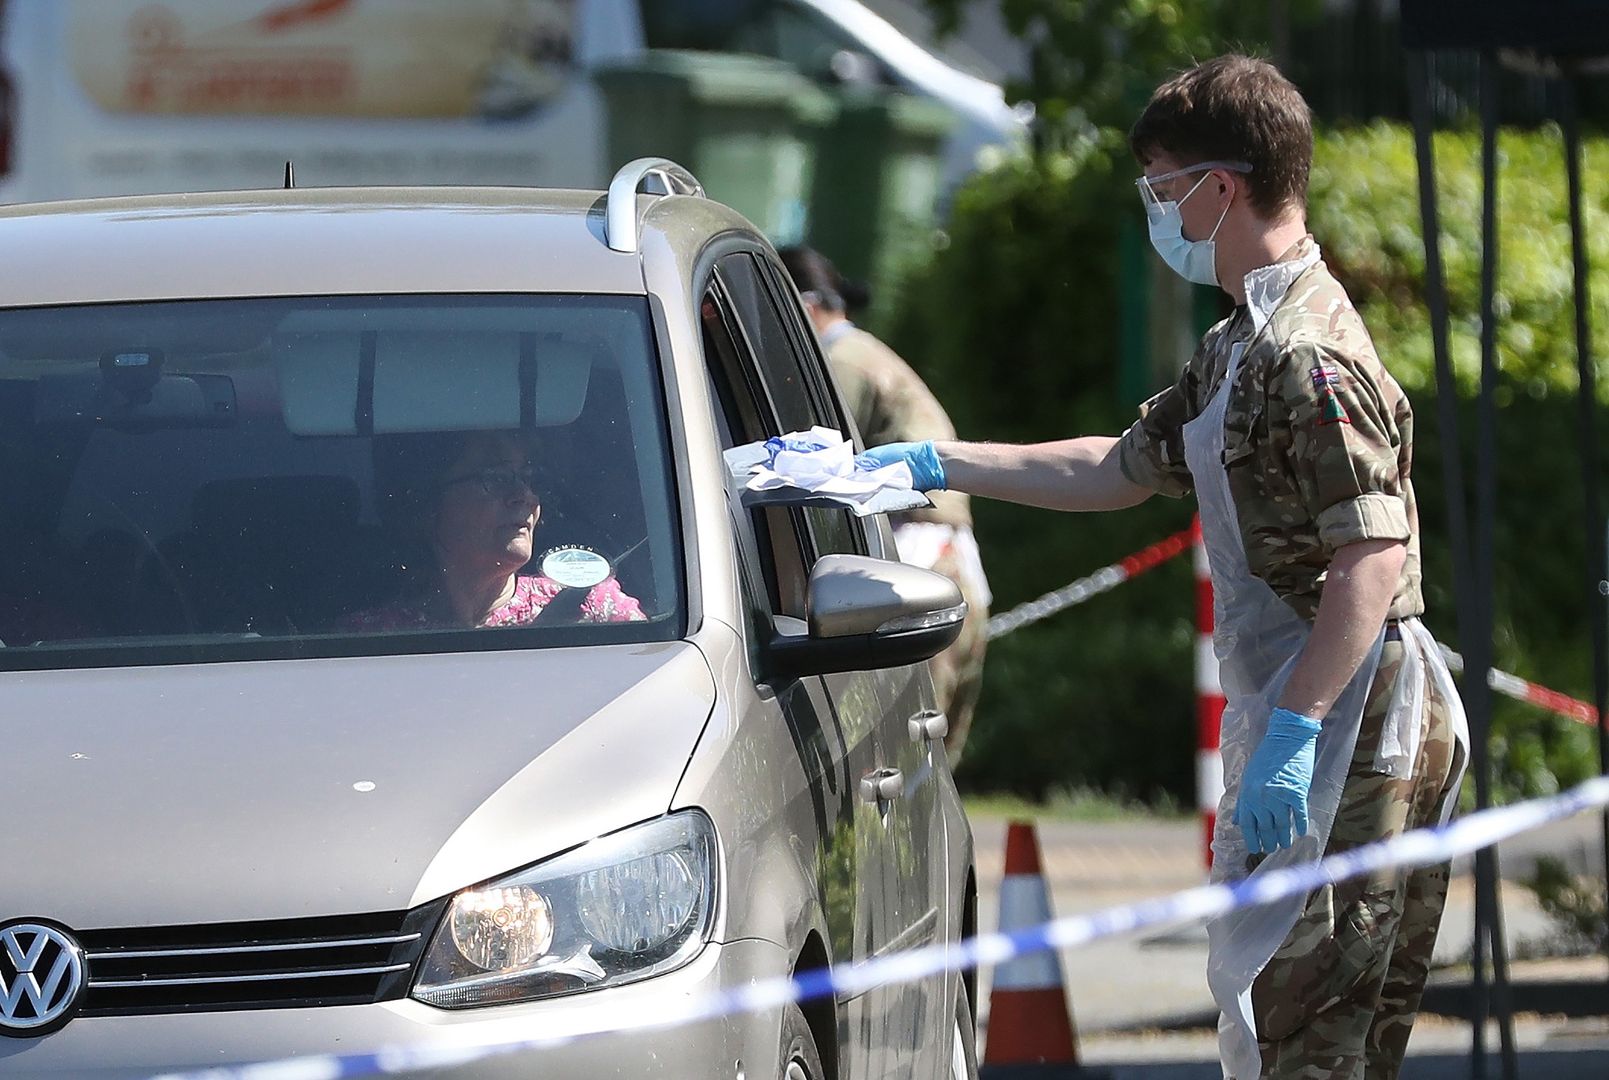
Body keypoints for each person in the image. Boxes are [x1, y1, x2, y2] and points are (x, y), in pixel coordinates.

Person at [865, 55, 1469, 1080]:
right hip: (1314, 707)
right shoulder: (1242, 341)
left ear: (1218, 188)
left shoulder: (1304, 355)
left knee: (1313, 1034)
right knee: (1292, 1027)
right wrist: (930, 462)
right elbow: (1117, 466)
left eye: (1161, 189)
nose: (1158, 214)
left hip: (1355, 724)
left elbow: (1370, 556)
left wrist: (1296, 726)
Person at [780, 244, 992, 764]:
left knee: (903, 750)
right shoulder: (866, 352)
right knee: (931, 753)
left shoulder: (841, 362)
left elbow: (814, 465)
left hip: (912, 547)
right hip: (946, 550)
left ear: (804, 306)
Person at [347, 430, 644, 630]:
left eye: (529, 477)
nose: (525, 495)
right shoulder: (370, 636)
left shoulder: (597, 610)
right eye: (496, 476)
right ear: (428, 505)